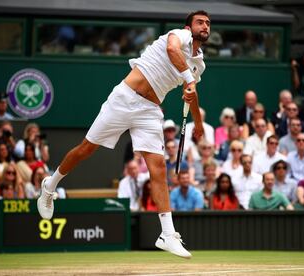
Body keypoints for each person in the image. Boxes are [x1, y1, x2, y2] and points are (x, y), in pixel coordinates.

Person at [37, 10, 211, 259]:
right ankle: (49, 185)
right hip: (125, 98)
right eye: (200, 22)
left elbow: (190, 89)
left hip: (150, 110)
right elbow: (173, 53)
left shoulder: (199, 63)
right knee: (86, 149)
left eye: (208, 23)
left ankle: (167, 234)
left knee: (158, 169)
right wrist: (187, 80)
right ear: (188, 26)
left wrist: (198, 122)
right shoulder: (178, 36)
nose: (205, 26)